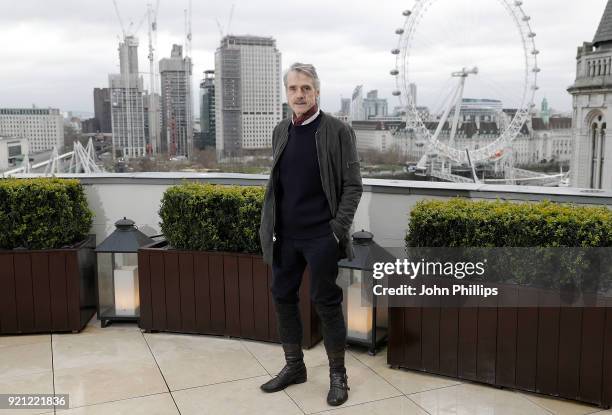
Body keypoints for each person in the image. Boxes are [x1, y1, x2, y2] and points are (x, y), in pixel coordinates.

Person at [258, 62, 363, 406]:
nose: (299, 94)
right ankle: (294, 367)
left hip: (322, 237)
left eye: (306, 88)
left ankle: (338, 376)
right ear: (286, 93)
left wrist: (337, 231)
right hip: (285, 237)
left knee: (326, 304)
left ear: (317, 91)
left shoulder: (337, 131)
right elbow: (280, 185)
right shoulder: (280, 131)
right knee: (283, 298)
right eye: (293, 88)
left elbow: (352, 186)